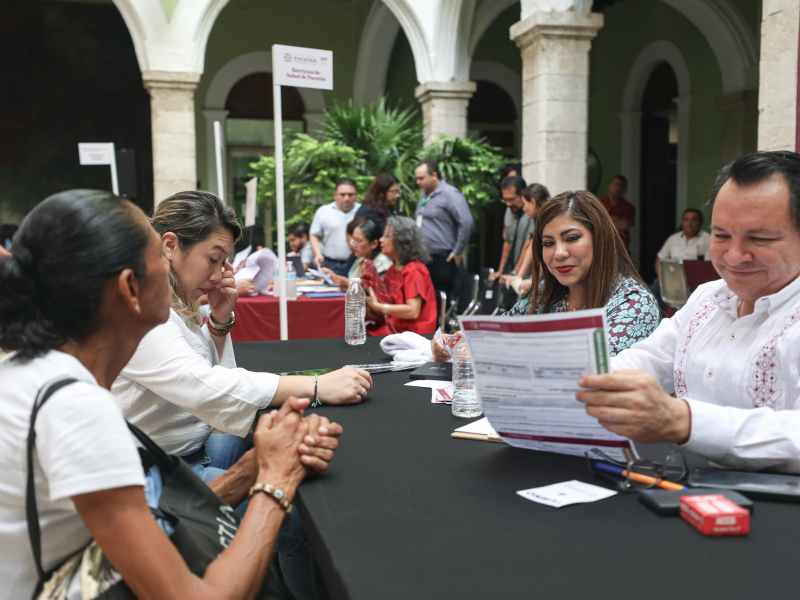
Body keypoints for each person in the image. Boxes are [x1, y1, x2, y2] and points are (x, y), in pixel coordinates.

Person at [0, 189, 339, 598]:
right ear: (129, 288)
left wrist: (252, 468)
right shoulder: (77, 410)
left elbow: (147, 517)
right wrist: (276, 484)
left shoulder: (36, 376)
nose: (174, 266)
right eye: (158, 257)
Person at [112, 190, 370, 480]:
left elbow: (214, 385)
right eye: (213, 259)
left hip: (194, 442)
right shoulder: (146, 312)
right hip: (161, 467)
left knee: (283, 431)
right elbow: (204, 386)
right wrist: (315, 385)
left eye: (223, 262)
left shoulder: (179, 301)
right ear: (169, 245)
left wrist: (220, 322)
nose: (220, 274)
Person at [578, 151, 800, 474]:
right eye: (722, 235)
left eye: (760, 238)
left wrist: (684, 421)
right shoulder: (707, 299)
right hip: (683, 489)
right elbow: (645, 359)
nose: (735, 256)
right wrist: (571, 379)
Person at [432, 191, 660, 362]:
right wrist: (455, 342)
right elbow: (499, 330)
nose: (559, 253)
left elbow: (591, 367)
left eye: (572, 238)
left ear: (599, 239)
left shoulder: (633, 302)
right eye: (548, 243)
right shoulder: (543, 295)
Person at [367, 216, 438, 336]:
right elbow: (386, 300)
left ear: (401, 242)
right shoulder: (393, 269)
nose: (381, 240)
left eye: (387, 236)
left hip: (413, 335)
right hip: (396, 330)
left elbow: (412, 311)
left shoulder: (414, 270)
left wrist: (379, 307)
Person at [414, 159, 474, 297]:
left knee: (441, 298)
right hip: (424, 256)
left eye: (421, 178)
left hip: (443, 256)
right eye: (417, 179)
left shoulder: (450, 194)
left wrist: (458, 250)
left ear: (434, 175)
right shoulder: (424, 195)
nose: (418, 182)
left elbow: (466, 222)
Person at [500, 183, 551, 296]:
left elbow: (546, 254)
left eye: (525, 204)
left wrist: (535, 281)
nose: (524, 208)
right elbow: (530, 247)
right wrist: (518, 275)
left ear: (533, 201)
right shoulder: (538, 220)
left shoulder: (550, 220)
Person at [323, 217, 392, 292]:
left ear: (374, 244)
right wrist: (335, 278)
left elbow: (376, 292)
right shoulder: (360, 259)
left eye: (359, 241)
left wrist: (346, 282)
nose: (353, 244)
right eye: (353, 239)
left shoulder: (382, 264)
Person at [310, 178, 360, 276]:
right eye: (342, 194)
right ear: (335, 195)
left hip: (356, 263)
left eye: (350, 195)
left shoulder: (362, 211)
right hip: (330, 263)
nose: (346, 198)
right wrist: (317, 254)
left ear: (356, 196)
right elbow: (314, 234)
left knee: (354, 290)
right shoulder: (323, 211)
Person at [490, 176, 534, 284]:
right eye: (505, 200)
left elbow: (528, 246)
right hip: (514, 273)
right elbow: (507, 242)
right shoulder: (509, 210)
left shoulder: (532, 212)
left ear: (522, 195)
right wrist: (501, 271)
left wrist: (517, 273)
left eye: (511, 199)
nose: (508, 204)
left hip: (528, 274)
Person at [599, 174, 635, 249]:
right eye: (615, 184)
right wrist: (616, 221)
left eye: (621, 186)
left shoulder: (629, 207)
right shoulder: (599, 203)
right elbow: (597, 223)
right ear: (609, 186)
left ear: (625, 189)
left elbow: (624, 225)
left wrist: (606, 220)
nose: (618, 188)